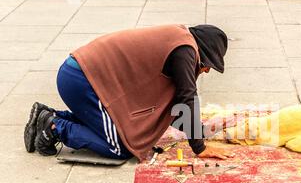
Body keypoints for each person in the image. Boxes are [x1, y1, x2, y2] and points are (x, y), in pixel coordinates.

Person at [24, 24, 235, 161]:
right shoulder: (185, 51)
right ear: (204, 52)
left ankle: (48, 115)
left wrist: (202, 130)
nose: (206, 70)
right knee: (121, 148)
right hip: (82, 81)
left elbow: (172, 107)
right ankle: (54, 126)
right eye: (208, 65)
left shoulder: (179, 39)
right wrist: (199, 147)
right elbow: (187, 97)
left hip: (79, 75)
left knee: (121, 130)